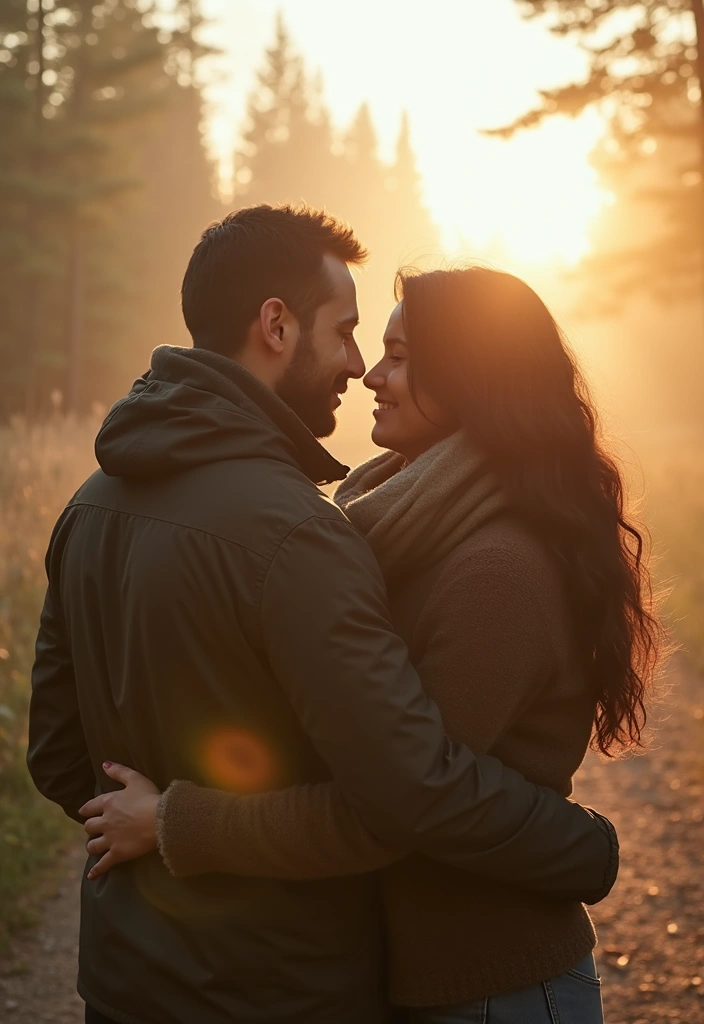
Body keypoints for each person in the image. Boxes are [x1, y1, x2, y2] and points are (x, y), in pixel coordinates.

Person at [28, 207, 618, 1024]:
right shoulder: (303, 533)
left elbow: (59, 757)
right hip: (281, 980)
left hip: (128, 979)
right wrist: (583, 846)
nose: (359, 365)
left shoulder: (88, 505)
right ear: (276, 325)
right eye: (347, 333)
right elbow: (401, 791)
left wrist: (159, 826)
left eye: (390, 353)